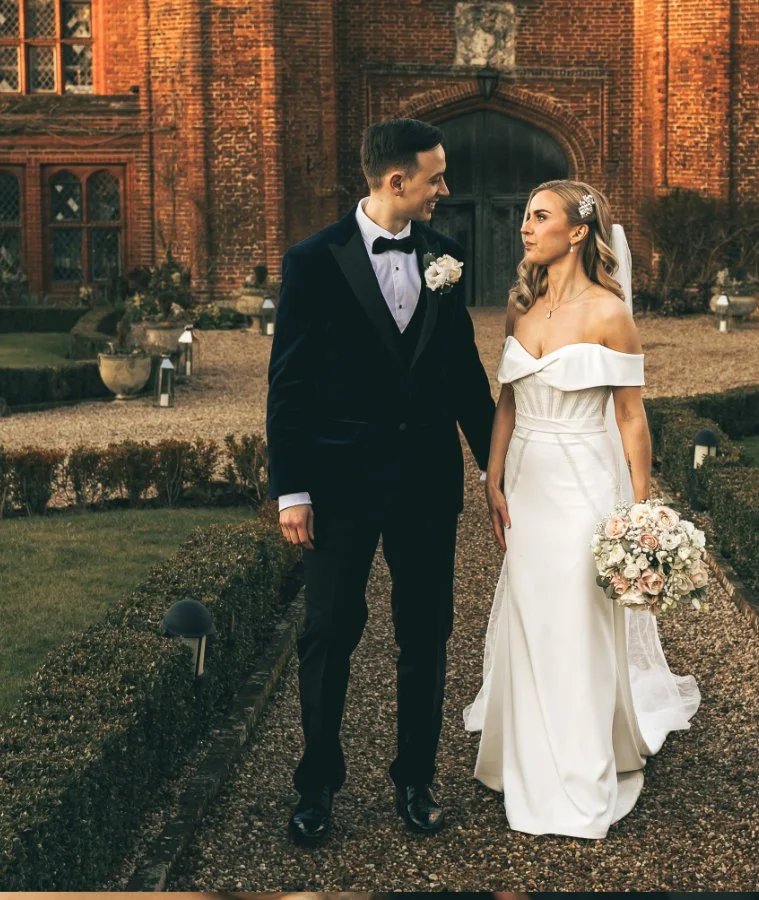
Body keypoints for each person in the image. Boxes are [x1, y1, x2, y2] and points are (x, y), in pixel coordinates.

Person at [265, 117, 496, 847]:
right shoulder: (312, 262)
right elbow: (289, 384)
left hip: (427, 484)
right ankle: (316, 787)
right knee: (329, 632)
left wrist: (495, 464)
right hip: (336, 487)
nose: (446, 189)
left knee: (425, 635)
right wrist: (292, 489)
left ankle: (415, 778)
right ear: (397, 182)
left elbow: (461, 373)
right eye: (436, 177)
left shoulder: (447, 257)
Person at [463, 180, 701, 839]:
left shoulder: (608, 313)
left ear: (575, 232)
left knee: (576, 616)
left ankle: (578, 768)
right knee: (531, 613)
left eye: (538, 216)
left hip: (584, 482)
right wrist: (493, 474)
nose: (524, 227)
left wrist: (639, 509)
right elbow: (508, 402)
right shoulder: (520, 307)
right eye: (524, 215)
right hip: (529, 482)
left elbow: (631, 420)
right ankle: (525, 756)